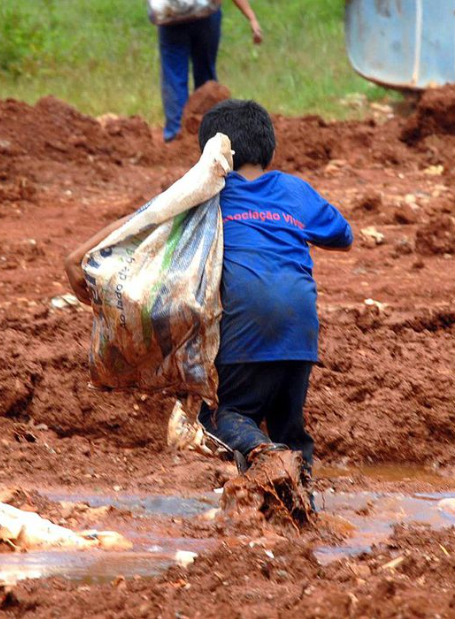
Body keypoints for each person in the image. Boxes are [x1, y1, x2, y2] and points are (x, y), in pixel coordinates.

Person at [196, 99, 353, 479]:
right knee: (288, 425)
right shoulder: (293, 190)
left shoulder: (205, 193)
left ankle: (263, 454)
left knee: (224, 416)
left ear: (213, 153)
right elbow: (343, 236)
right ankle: (302, 497)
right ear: (269, 148)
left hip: (245, 329)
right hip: (300, 332)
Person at [155, 0, 263, 142]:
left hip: (171, 15)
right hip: (206, 15)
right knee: (206, 76)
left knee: (174, 77)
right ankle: (209, 135)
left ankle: (176, 136)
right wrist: (252, 18)